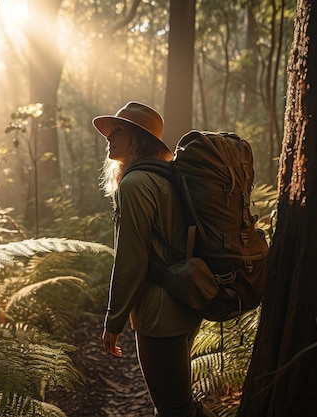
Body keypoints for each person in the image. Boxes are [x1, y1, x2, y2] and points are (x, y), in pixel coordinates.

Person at [93, 101, 203, 416]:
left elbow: (131, 260)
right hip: (185, 302)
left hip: (158, 315)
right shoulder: (169, 175)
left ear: (139, 138)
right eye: (110, 130)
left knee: (174, 408)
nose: (109, 137)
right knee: (179, 403)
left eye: (118, 130)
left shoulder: (135, 184)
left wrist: (114, 320)